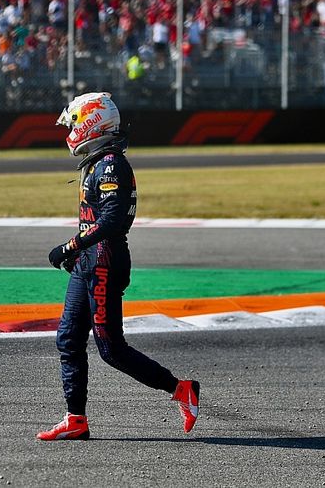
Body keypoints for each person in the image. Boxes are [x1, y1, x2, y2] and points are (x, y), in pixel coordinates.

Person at [37, 92, 200, 441]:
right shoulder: (96, 163)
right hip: (88, 262)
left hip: (105, 263)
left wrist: (70, 246)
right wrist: (76, 253)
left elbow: (113, 221)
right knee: (68, 338)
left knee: (111, 349)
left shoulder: (111, 164)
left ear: (92, 123)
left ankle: (181, 389)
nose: (70, 132)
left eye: (75, 124)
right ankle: (75, 418)